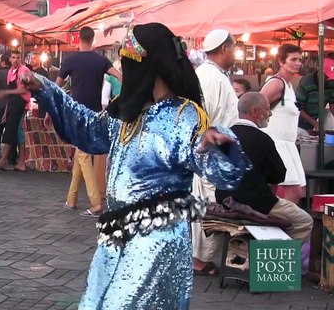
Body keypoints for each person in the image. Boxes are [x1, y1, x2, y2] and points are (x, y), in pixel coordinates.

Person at [23, 23, 249, 309]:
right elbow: (90, 129)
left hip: (156, 240)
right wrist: (46, 90)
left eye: (131, 64)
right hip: (116, 236)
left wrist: (221, 146)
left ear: (151, 65)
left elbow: (222, 171)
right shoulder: (126, 113)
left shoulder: (185, 116)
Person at [215, 92, 313, 242]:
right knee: (304, 221)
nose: (270, 114)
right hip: (256, 202)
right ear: (255, 111)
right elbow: (278, 176)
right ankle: (280, 260)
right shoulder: (262, 139)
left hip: (223, 200)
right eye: (267, 109)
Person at [56, 26, 123, 217]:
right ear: (93, 39)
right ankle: (71, 198)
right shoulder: (101, 60)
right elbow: (119, 76)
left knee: (83, 156)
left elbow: (57, 88)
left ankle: (96, 203)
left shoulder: (70, 61)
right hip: (94, 114)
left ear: (79, 38)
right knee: (81, 154)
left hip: (77, 114)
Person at [192, 29, 239, 275]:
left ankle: (203, 257)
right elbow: (203, 116)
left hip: (218, 150)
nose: (234, 54)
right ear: (224, 49)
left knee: (212, 203)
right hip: (211, 151)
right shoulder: (210, 76)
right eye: (233, 49)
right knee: (208, 205)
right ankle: (199, 259)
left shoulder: (214, 74)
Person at [260, 44, 306, 205]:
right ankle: (287, 228)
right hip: (276, 142)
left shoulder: (289, 85)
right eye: (293, 59)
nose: (298, 63)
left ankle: (267, 225)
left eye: (300, 60)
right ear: (281, 61)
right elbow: (254, 106)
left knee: (270, 191)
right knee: (294, 192)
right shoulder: (276, 83)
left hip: (287, 143)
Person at [0, 50, 31, 172]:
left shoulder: (24, 71)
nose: (15, 60)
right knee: (16, 131)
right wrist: (6, 112)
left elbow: (24, 90)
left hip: (22, 103)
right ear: (10, 59)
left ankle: (5, 161)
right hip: (13, 103)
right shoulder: (10, 72)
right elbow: (11, 95)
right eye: (13, 57)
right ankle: (18, 162)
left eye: (18, 57)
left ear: (21, 58)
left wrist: (5, 92)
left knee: (13, 130)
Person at [295, 56, 334, 131]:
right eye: (326, 76)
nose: (328, 79)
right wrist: (315, 123)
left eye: (330, 77)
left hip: (315, 118)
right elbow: (298, 106)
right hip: (299, 121)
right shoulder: (306, 82)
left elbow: (332, 104)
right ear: (319, 69)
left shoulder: (332, 82)